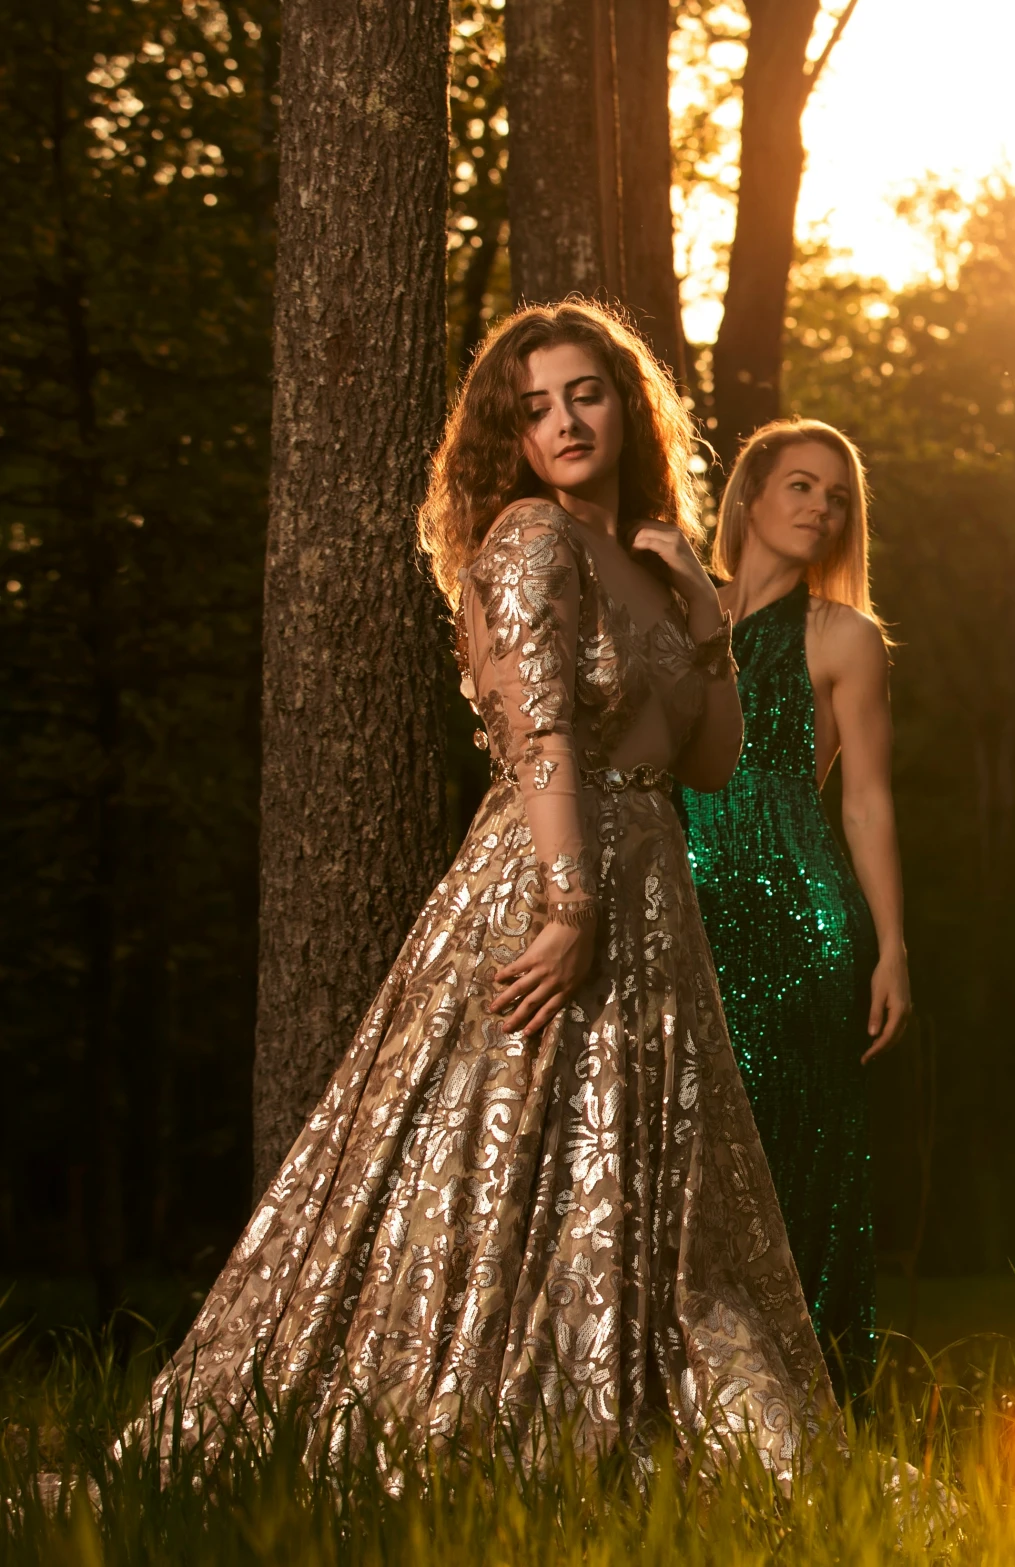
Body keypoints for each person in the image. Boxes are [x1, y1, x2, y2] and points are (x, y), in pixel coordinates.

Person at [137, 302, 834, 1474]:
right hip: (552, 873)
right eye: (535, 407)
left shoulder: (653, 561)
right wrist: (569, 908)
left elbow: (708, 763)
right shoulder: (529, 543)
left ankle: (625, 1395)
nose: (564, 421)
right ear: (508, 436)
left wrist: (709, 624)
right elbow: (544, 729)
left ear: (627, 404)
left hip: (654, 881)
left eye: (586, 394)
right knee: (512, 1153)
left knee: (635, 1170)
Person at [679, 419, 911, 1410]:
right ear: (749, 497)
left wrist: (891, 944)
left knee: (785, 1151)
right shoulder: (674, 608)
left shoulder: (843, 636)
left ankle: (803, 1403)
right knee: (676, 1143)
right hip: (679, 907)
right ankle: (681, 1395)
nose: (820, 508)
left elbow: (864, 799)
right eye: (802, 486)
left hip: (795, 917)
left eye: (837, 498)